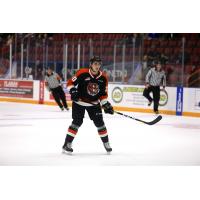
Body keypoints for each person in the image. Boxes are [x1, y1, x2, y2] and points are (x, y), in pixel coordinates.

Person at [62, 56, 114, 154]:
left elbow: (103, 95)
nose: (97, 66)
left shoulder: (103, 78)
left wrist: (106, 104)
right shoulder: (82, 72)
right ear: (91, 64)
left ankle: (106, 143)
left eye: (99, 64)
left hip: (94, 104)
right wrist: (73, 91)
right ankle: (67, 144)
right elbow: (70, 83)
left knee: (100, 124)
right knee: (76, 122)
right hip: (79, 102)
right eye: (95, 64)